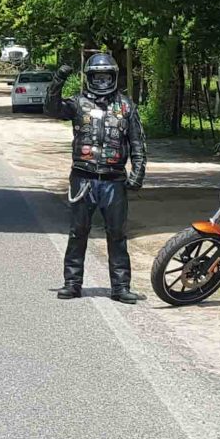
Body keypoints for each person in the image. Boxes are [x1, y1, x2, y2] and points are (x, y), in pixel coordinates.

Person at [60, 50, 146, 302]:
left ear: (114, 77)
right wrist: (59, 79)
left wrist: (138, 173)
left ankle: (120, 287)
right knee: (78, 232)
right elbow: (51, 108)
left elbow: (138, 143)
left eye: (105, 76)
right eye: (96, 77)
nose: (101, 81)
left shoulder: (126, 106)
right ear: (89, 77)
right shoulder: (77, 103)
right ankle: (72, 283)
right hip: (82, 178)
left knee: (117, 234)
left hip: (113, 180)